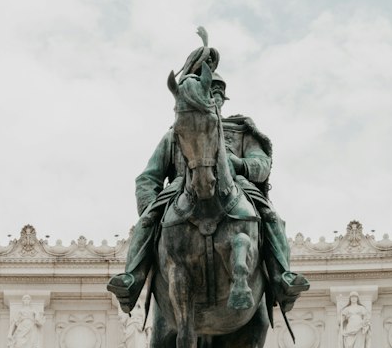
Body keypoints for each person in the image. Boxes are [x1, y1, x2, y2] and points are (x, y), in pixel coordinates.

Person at [108, 62, 308, 316]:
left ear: (223, 98)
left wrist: (239, 164)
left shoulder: (241, 131)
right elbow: (148, 177)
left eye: (217, 92)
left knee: (271, 216)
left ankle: (283, 279)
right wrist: (150, 207)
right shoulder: (175, 134)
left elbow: (262, 166)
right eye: (209, 91)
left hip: (237, 188)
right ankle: (131, 281)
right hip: (181, 189)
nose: (213, 96)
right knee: (147, 221)